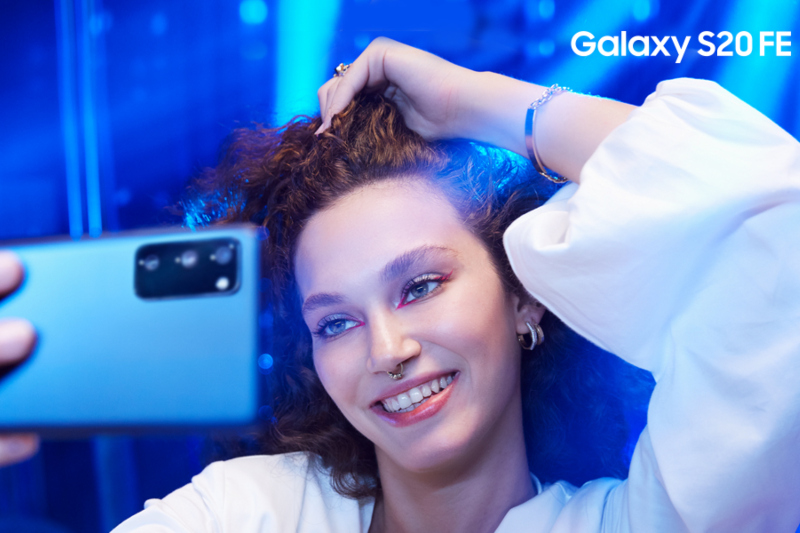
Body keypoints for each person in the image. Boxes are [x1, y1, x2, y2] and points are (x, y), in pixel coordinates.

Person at [4, 37, 800, 532]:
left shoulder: (643, 522)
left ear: (522, 294)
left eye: (420, 285)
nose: (385, 349)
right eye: (335, 322)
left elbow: (773, 219)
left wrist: (477, 101)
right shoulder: (250, 513)